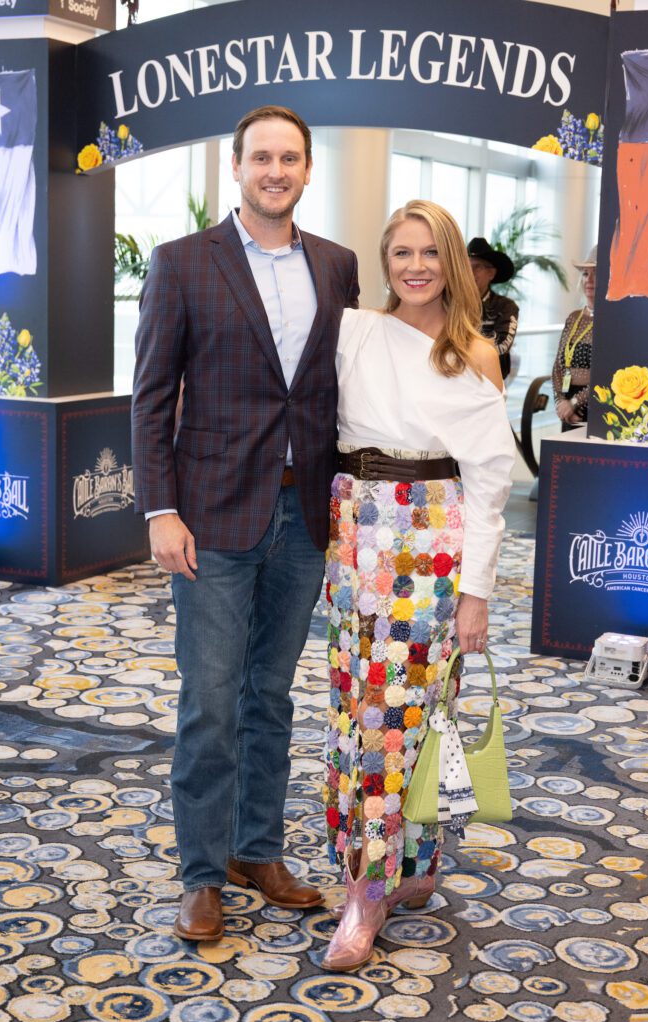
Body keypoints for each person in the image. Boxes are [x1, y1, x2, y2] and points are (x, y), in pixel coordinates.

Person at [131, 105, 359, 942]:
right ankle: (200, 872)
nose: (275, 171)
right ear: (236, 168)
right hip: (212, 518)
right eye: (260, 157)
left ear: (306, 170)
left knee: (271, 695)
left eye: (289, 158)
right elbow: (152, 397)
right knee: (210, 702)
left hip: (305, 519)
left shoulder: (336, 267)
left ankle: (256, 850)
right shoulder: (183, 263)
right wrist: (160, 508)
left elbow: (340, 392)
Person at [322, 201, 515, 971]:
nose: (414, 266)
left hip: (432, 547)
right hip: (357, 538)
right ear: (384, 260)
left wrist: (475, 594)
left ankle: (378, 887)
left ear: (450, 262)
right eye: (400, 252)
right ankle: (379, 872)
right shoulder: (353, 332)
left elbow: (491, 485)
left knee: (416, 717)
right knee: (358, 719)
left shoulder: (474, 352)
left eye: (428, 252)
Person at [552, 245, 597, 430]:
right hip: (567, 406)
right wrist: (560, 402)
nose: (590, 280)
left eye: (596, 273)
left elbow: (604, 373)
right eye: (585, 274)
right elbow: (557, 367)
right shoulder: (573, 318)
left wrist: (575, 403)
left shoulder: (611, 322)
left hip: (594, 404)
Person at [467, 236, 519, 380]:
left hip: (490, 382)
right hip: (452, 380)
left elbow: (502, 345)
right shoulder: (448, 303)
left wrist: (461, 352)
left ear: (491, 273)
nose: (470, 272)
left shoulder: (506, 306)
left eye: (477, 266)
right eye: (466, 266)